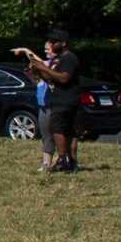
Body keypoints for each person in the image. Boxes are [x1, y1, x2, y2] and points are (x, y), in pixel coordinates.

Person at [26, 32, 83, 175]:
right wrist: (37, 70)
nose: (51, 44)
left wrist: (44, 68)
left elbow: (64, 78)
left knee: (58, 129)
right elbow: (50, 79)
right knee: (65, 130)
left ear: (63, 43)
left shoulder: (69, 58)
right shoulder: (57, 59)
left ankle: (63, 159)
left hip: (67, 99)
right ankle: (69, 161)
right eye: (50, 41)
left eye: (54, 41)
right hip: (57, 98)